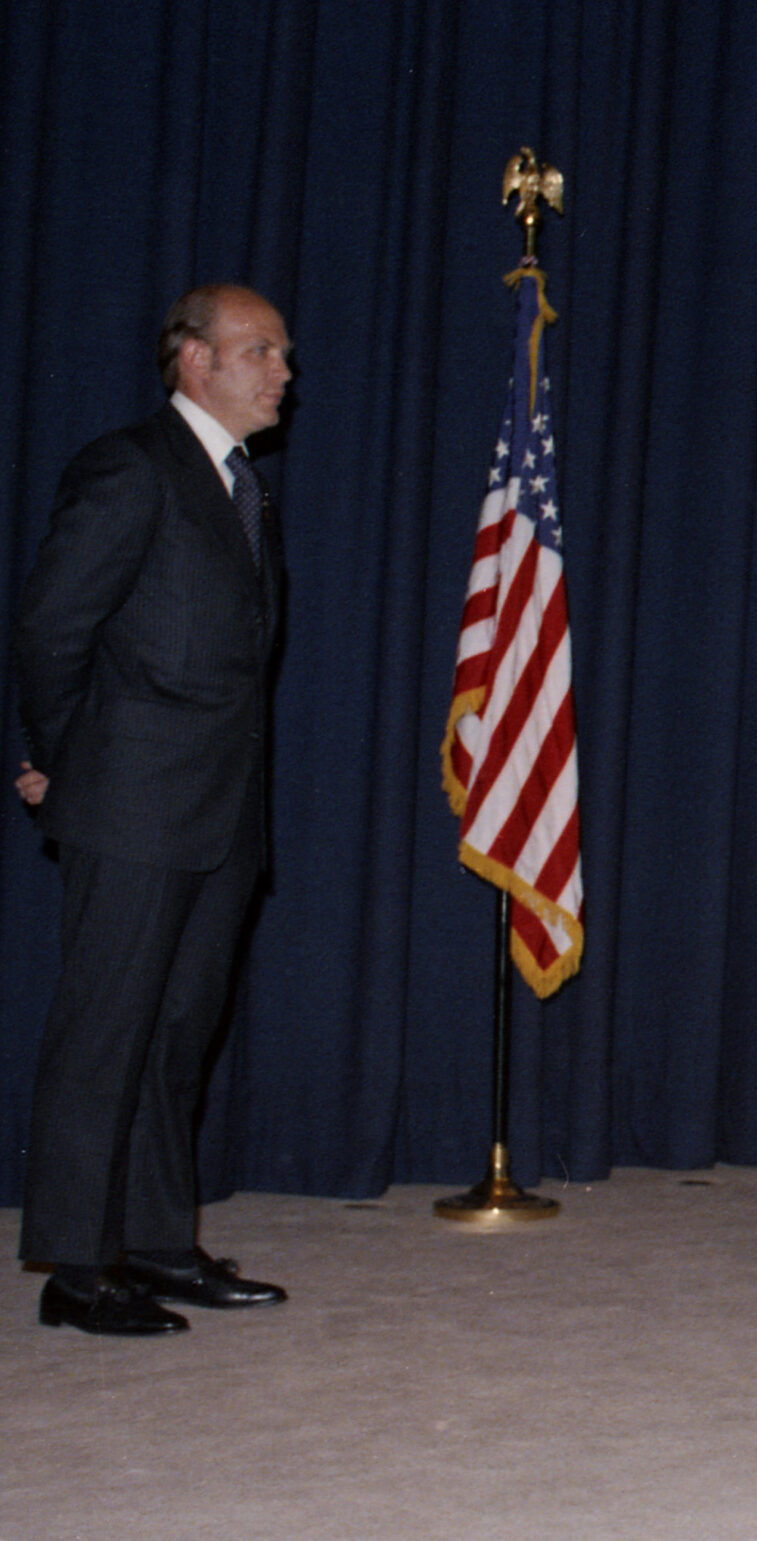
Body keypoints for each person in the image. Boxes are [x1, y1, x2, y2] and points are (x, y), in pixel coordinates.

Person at [12, 284, 293, 1334]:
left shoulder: (246, 488)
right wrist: (62, 757)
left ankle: (160, 1240)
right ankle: (76, 1268)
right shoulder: (132, 467)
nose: (282, 371)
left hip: (220, 811)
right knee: (106, 1030)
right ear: (193, 361)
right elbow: (50, 629)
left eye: (284, 354)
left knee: (179, 1031)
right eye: (259, 350)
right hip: (130, 802)